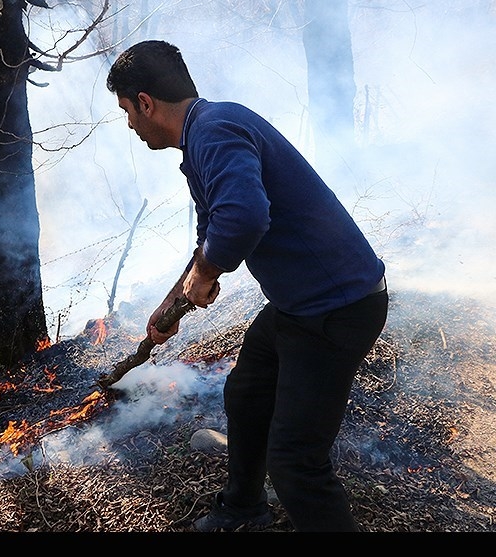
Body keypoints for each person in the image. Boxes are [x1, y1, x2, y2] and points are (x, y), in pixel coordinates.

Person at [106, 40, 388, 532]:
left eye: (127, 112)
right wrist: (172, 301)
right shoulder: (205, 136)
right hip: (299, 306)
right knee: (249, 392)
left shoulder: (215, 132)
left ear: (146, 103)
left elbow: (244, 218)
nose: (130, 125)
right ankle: (242, 511)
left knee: (297, 462)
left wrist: (210, 271)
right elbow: (212, 231)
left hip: (337, 309)